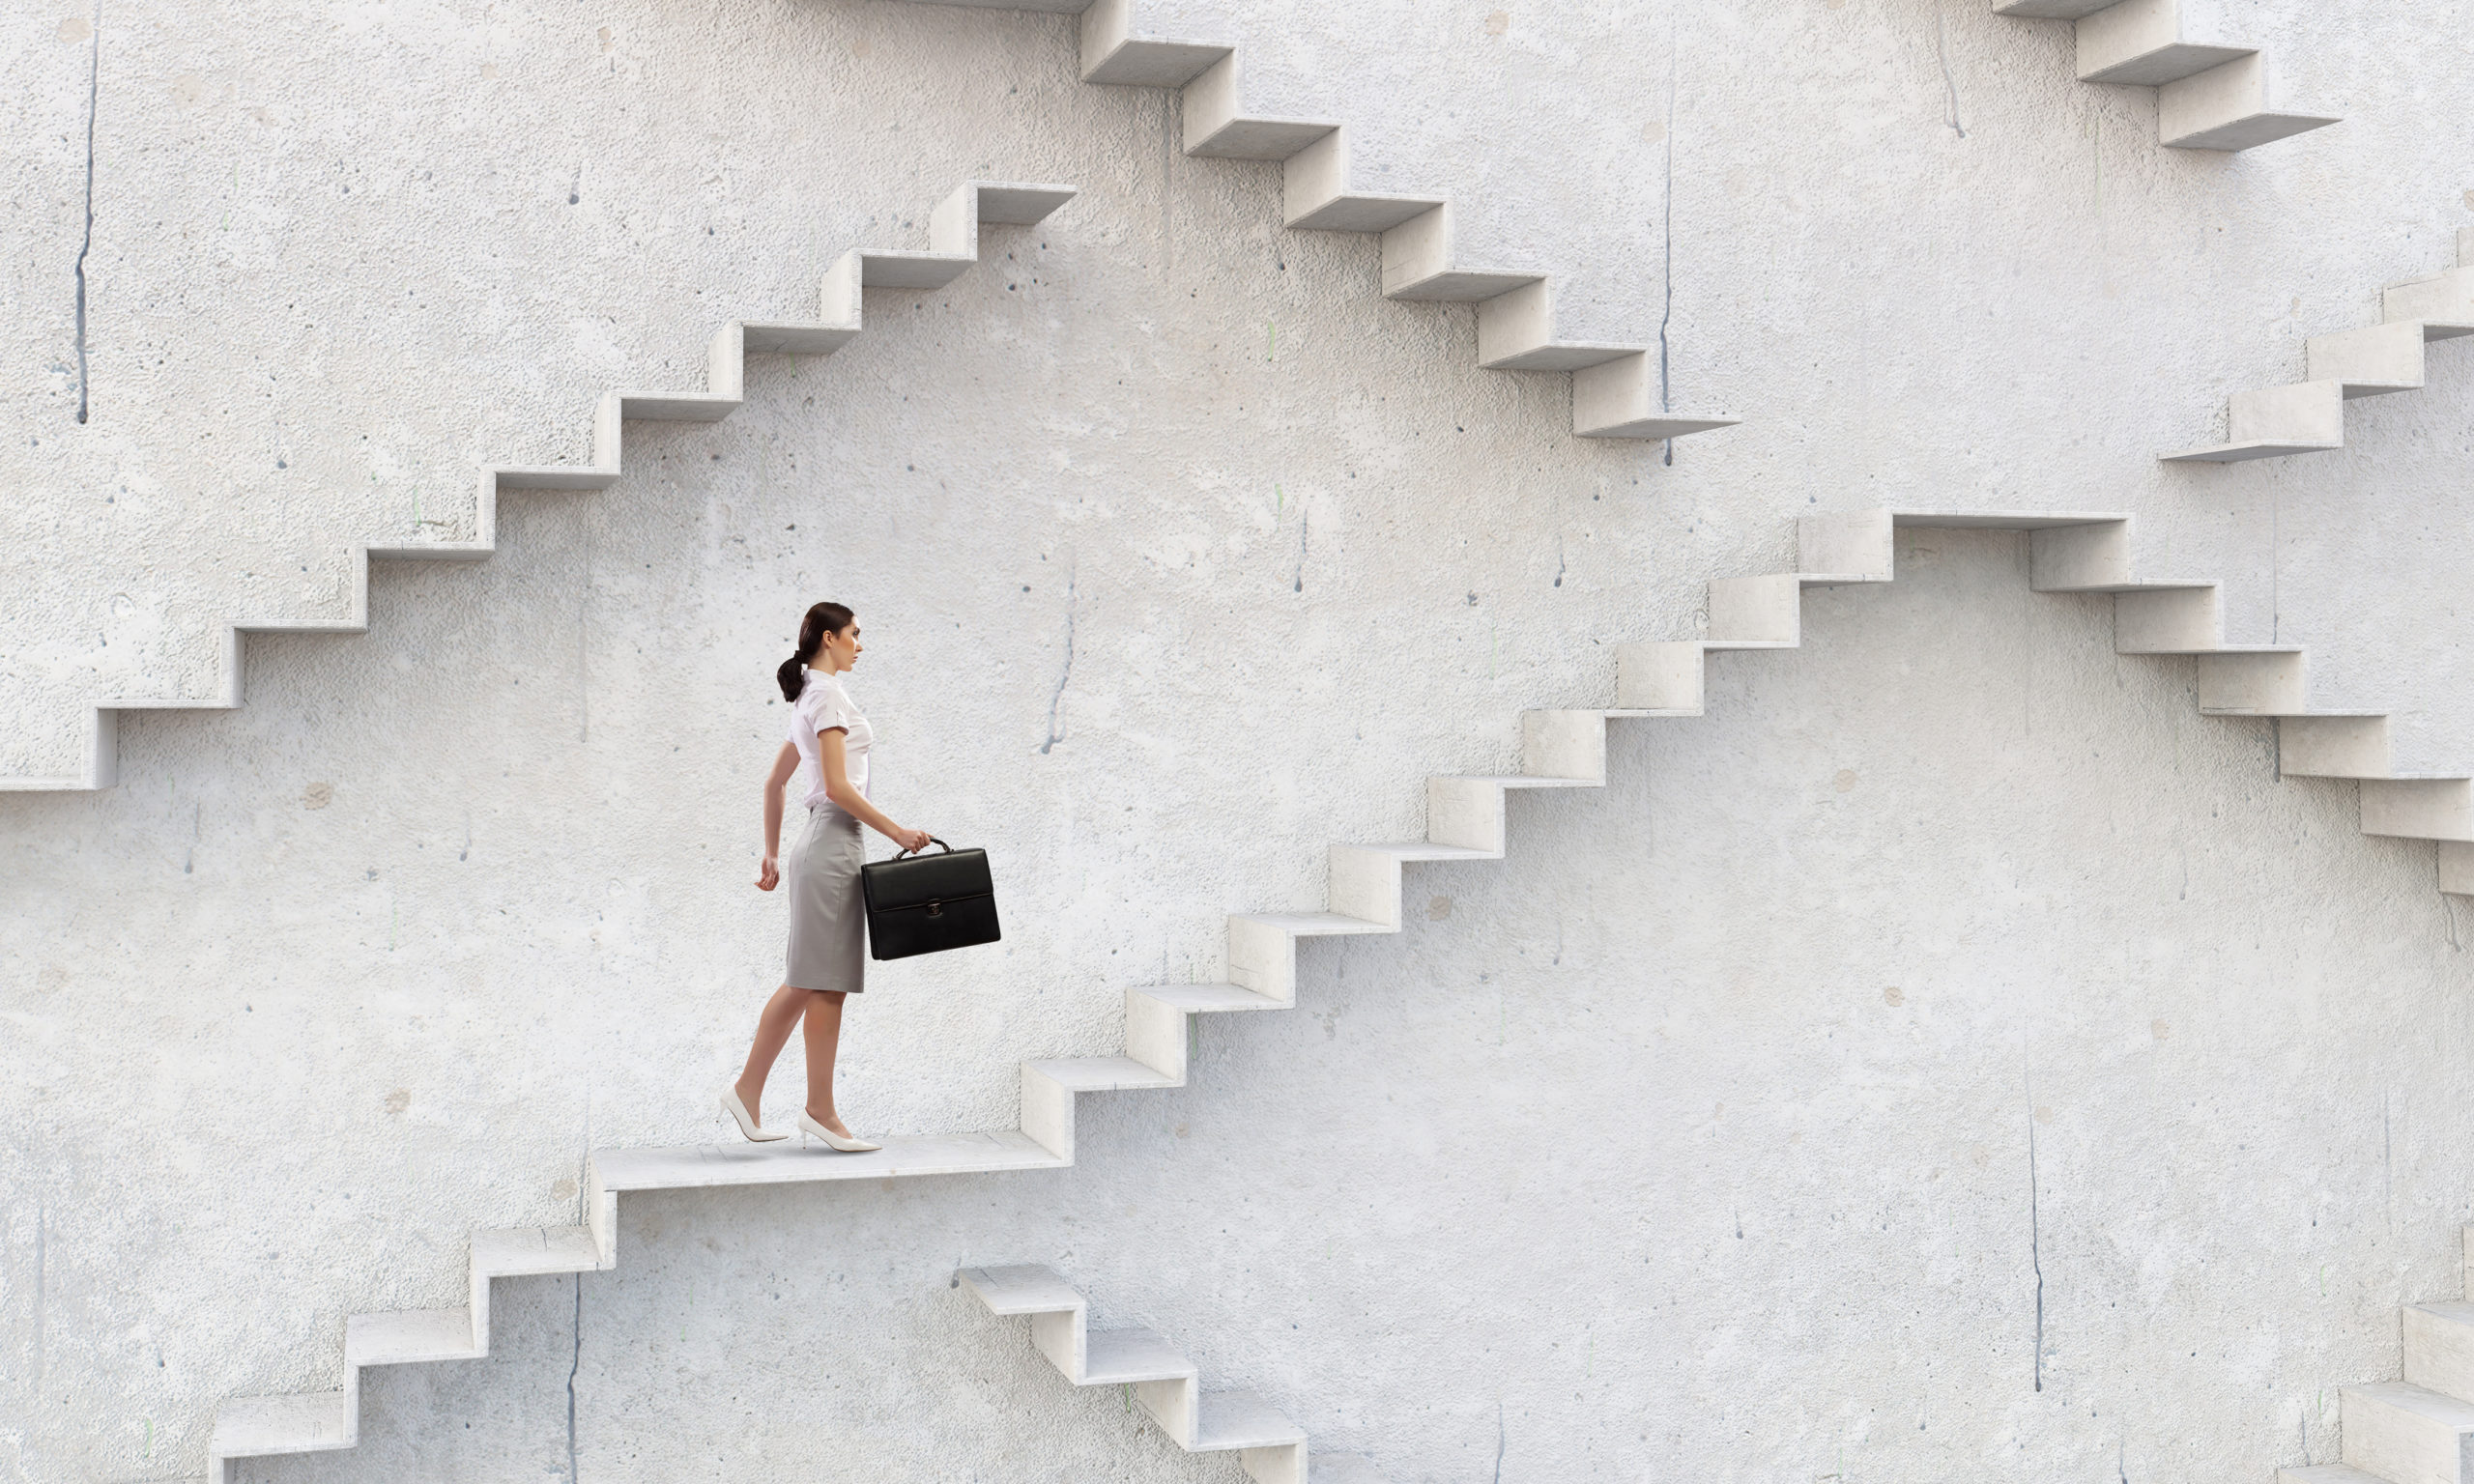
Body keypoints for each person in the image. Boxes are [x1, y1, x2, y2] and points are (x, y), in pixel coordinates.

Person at [720, 601, 932, 1152]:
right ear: (831, 638)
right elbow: (837, 787)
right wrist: (898, 832)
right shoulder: (828, 695)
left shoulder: (811, 697)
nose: (861, 644)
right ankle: (763, 1095)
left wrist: (771, 854)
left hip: (827, 845)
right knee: (811, 979)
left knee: (825, 983)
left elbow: (775, 782)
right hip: (834, 843)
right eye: (856, 634)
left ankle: (812, 1107)